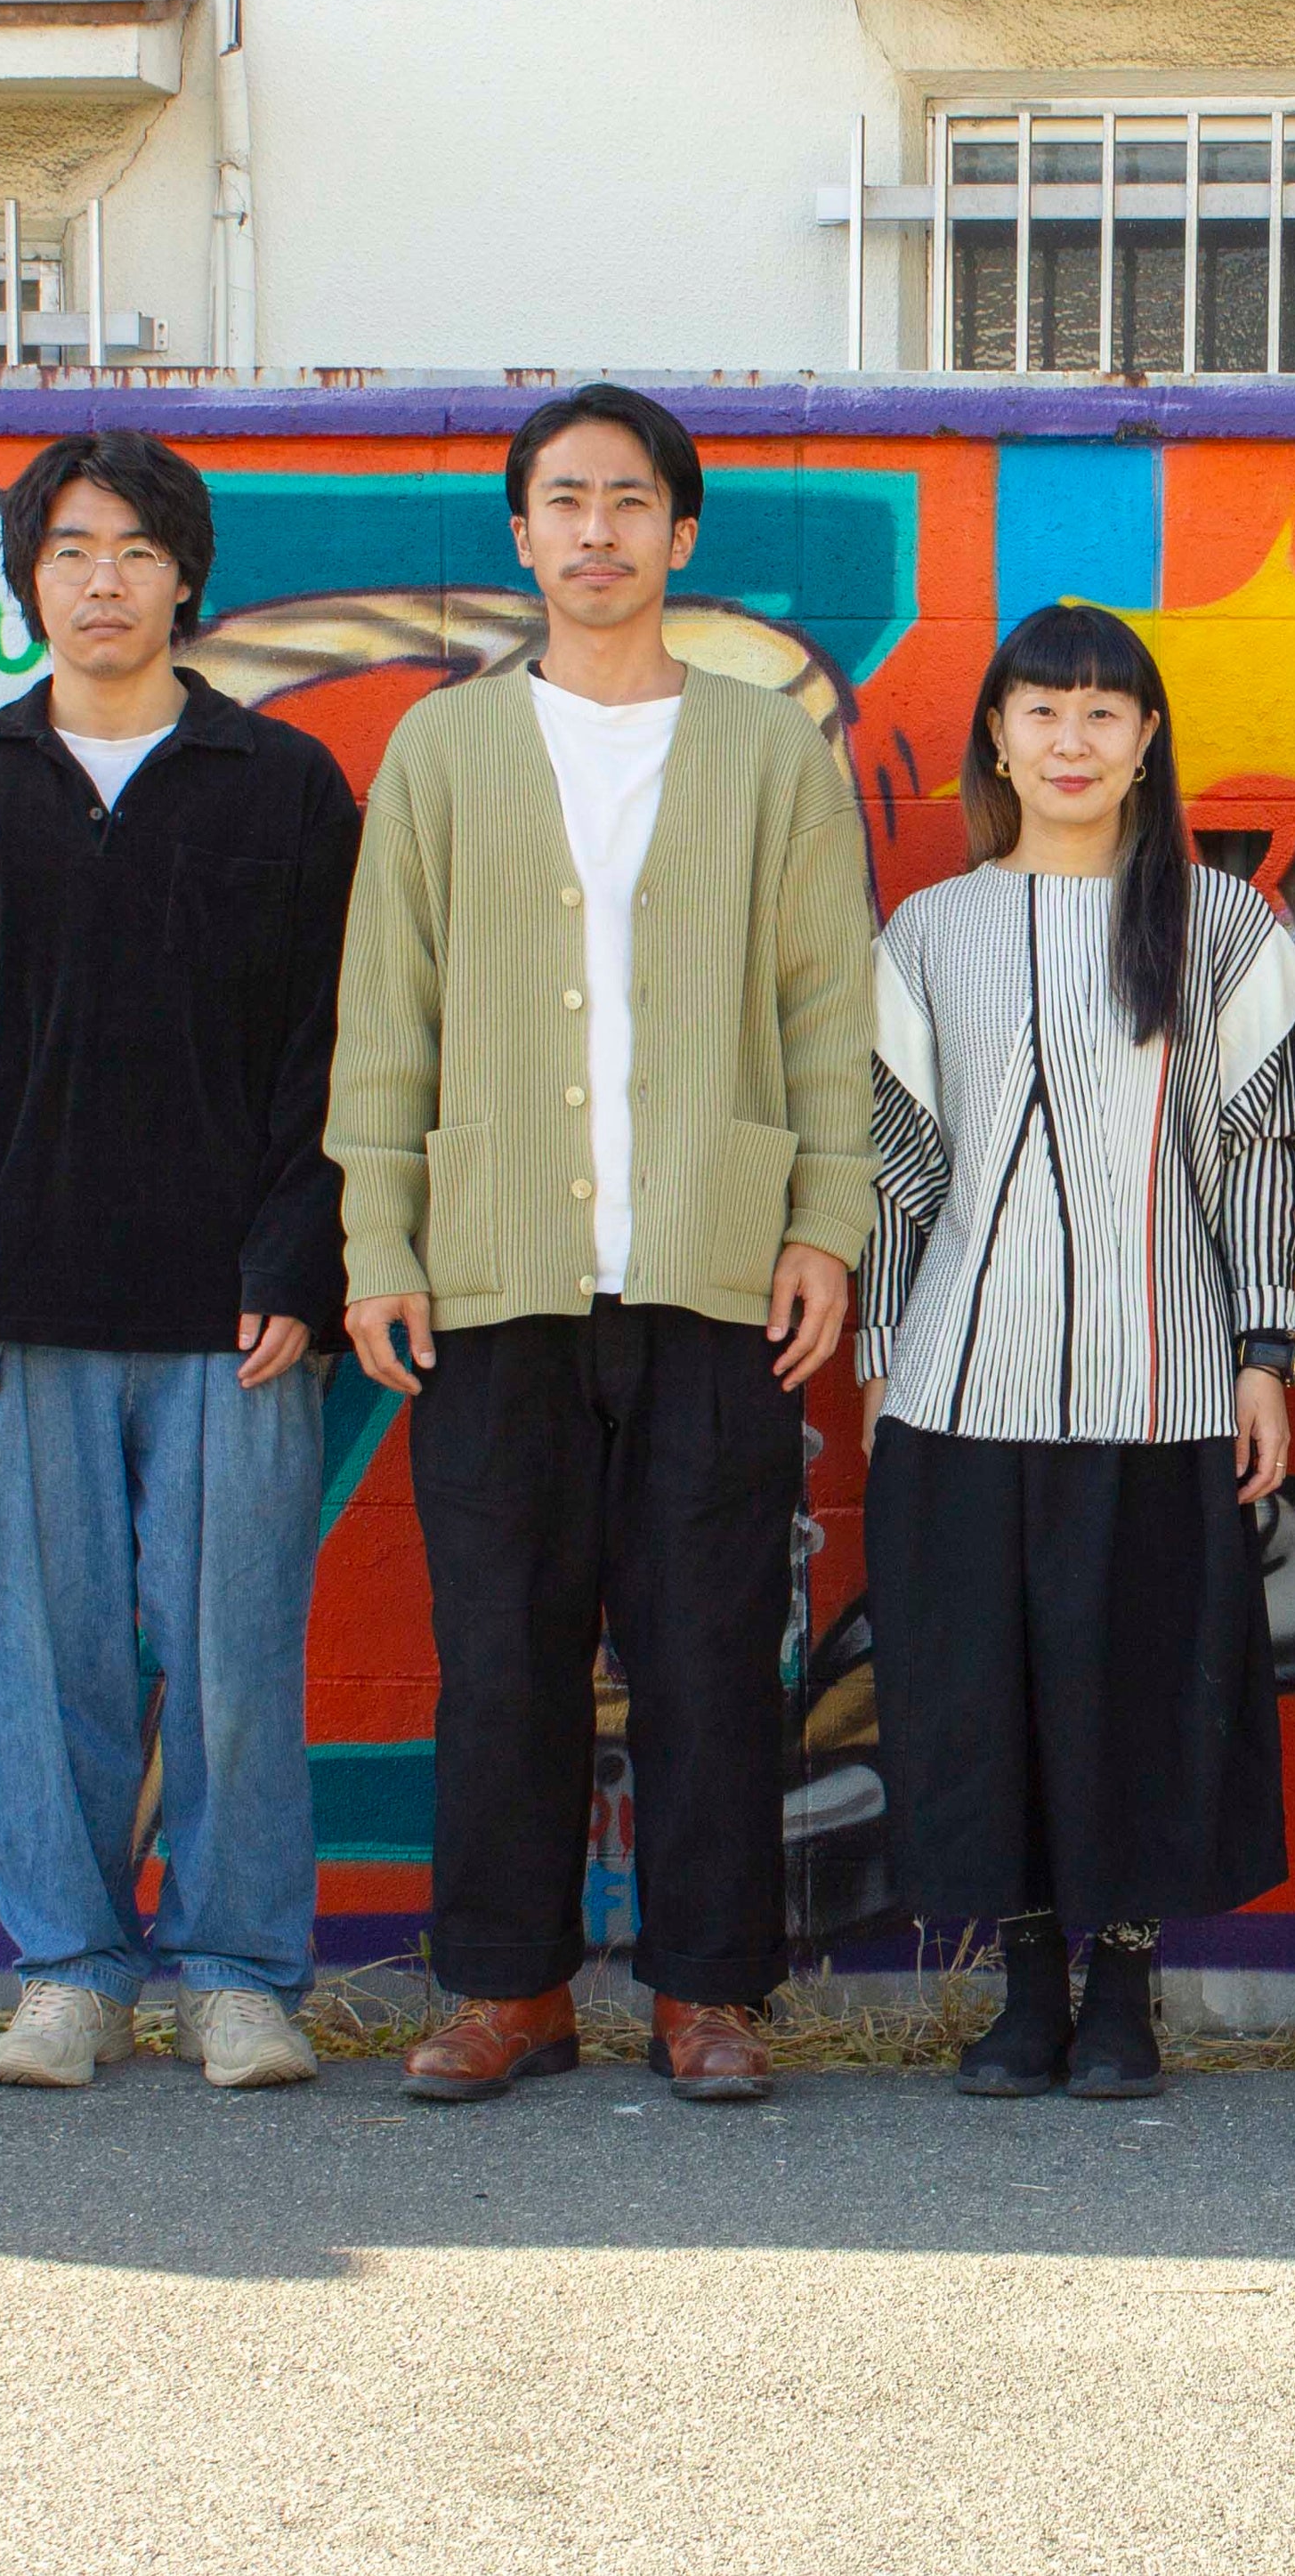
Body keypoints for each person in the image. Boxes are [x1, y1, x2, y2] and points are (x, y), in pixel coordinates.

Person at [331, 384, 874, 2106]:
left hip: (713, 1266)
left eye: (630, 500)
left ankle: (709, 1990)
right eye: (564, 500)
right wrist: (379, 1232)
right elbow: (388, 1011)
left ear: (680, 531)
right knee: (503, 1650)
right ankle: (510, 1988)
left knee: (713, 1647)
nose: (597, 530)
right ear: (521, 534)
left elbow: (826, 1004)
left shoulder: (768, 750)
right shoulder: (446, 749)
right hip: (495, 1272)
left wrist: (825, 1218)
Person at [0, 431, 359, 2090]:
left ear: (185, 577)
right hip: (14, 1312)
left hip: (237, 1315)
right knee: (44, 1659)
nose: (103, 580)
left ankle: (237, 1973)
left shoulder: (281, 784)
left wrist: (296, 1259)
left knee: (237, 1664)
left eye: (137, 550)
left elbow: (332, 1046)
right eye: (72, 549)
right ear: (30, 578)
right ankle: (70, 1971)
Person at [858, 604, 1295, 2100]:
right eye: (1042, 711)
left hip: (1162, 1384)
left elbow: (1263, 1156)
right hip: (962, 1387)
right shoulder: (929, 931)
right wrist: (880, 1363)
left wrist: (1262, 1349)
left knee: (1138, 1694)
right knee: (985, 1701)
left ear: (1146, 742)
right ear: (997, 737)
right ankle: (1026, 1988)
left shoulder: (1222, 924)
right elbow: (895, 1173)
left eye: (1103, 713)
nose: (1072, 739)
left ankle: (1124, 1987)